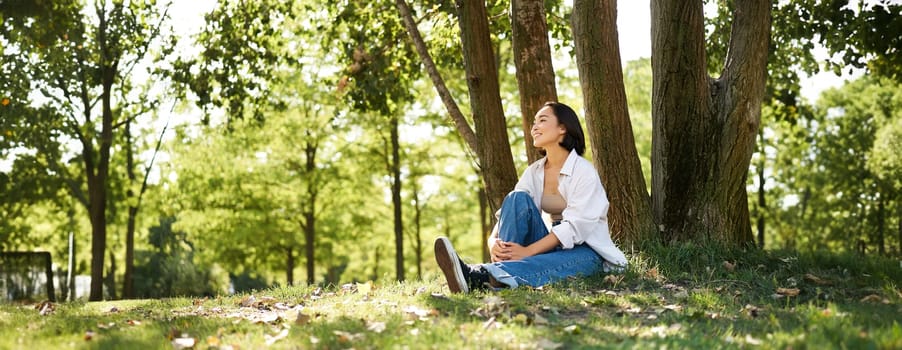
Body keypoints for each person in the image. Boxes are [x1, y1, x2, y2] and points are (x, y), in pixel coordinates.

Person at [434, 102, 628, 293]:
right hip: (549, 245)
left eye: (542, 120)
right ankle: (497, 269)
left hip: (586, 252)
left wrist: (528, 251)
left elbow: (574, 227)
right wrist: (492, 242)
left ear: (563, 128)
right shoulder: (534, 171)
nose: (534, 127)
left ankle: (480, 276)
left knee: (552, 260)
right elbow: (510, 210)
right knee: (517, 197)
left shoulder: (584, 172)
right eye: (533, 122)